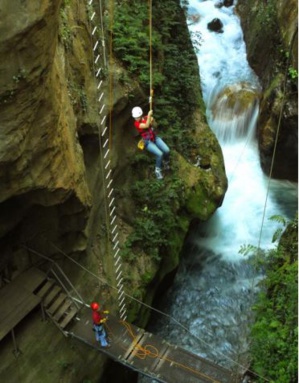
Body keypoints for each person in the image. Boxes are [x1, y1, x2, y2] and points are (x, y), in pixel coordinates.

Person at [132, 106, 170, 180]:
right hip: (147, 141)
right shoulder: (136, 123)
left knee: (167, 150)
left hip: (154, 137)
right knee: (160, 154)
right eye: (135, 117)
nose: (136, 119)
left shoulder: (146, 118)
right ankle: (157, 171)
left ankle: (166, 162)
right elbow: (146, 125)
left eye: (137, 117)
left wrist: (153, 121)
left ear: (140, 115)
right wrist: (149, 116)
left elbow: (155, 125)